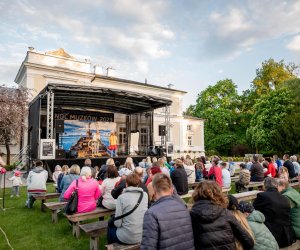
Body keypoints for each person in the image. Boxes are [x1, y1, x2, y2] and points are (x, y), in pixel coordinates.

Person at [190, 181, 254, 250]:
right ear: (218, 194)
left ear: (196, 194)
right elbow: (249, 242)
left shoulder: (190, 215)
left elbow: (248, 241)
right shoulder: (226, 213)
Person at [141, 173, 194, 250]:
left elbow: (148, 246)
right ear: (172, 189)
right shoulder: (183, 208)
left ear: (154, 190)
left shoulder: (151, 213)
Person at [253, 177, 295, 248]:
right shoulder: (284, 197)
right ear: (276, 185)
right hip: (288, 236)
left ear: (265, 186)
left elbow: (253, 210)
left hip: (273, 237)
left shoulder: (262, 196)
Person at [107, 173, 148, 244]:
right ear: (138, 184)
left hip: (126, 237)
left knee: (110, 228)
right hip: (142, 235)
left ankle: (110, 246)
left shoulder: (122, 197)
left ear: (126, 184)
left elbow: (117, 224)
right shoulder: (145, 195)